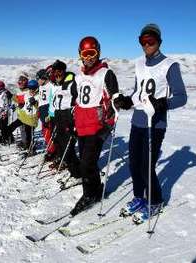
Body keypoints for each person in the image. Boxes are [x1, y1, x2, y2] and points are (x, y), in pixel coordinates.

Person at [114, 24, 187, 222]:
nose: (146, 45)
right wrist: (128, 101)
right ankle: (139, 197)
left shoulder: (170, 65)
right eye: (143, 41)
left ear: (159, 42)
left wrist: (163, 103)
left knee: (147, 165)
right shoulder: (138, 63)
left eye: (151, 41)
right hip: (138, 120)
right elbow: (139, 92)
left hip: (155, 124)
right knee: (134, 163)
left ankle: (154, 201)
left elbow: (182, 97)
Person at [70, 36, 119, 216]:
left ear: (98, 53)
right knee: (87, 162)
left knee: (86, 164)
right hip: (82, 126)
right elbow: (77, 101)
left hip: (96, 127)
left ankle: (89, 194)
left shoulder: (106, 74)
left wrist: (108, 126)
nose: (89, 57)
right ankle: (96, 189)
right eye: (85, 54)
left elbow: (114, 101)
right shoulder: (78, 76)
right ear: (80, 55)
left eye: (92, 53)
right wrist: (73, 123)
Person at [49, 60, 80, 179]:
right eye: (54, 72)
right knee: (60, 144)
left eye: (59, 72)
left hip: (68, 117)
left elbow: (78, 100)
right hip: (59, 116)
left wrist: (74, 116)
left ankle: (77, 173)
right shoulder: (58, 84)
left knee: (68, 146)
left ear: (63, 71)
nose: (57, 75)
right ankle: (71, 167)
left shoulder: (72, 82)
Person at [36, 68, 56, 161]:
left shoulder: (50, 86)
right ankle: (51, 149)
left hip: (48, 109)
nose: (37, 80)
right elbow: (40, 98)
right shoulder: (41, 86)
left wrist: (50, 113)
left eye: (38, 78)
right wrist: (38, 110)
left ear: (43, 78)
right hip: (42, 109)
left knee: (48, 132)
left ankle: (52, 151)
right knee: (45, 132)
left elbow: (53, 100)